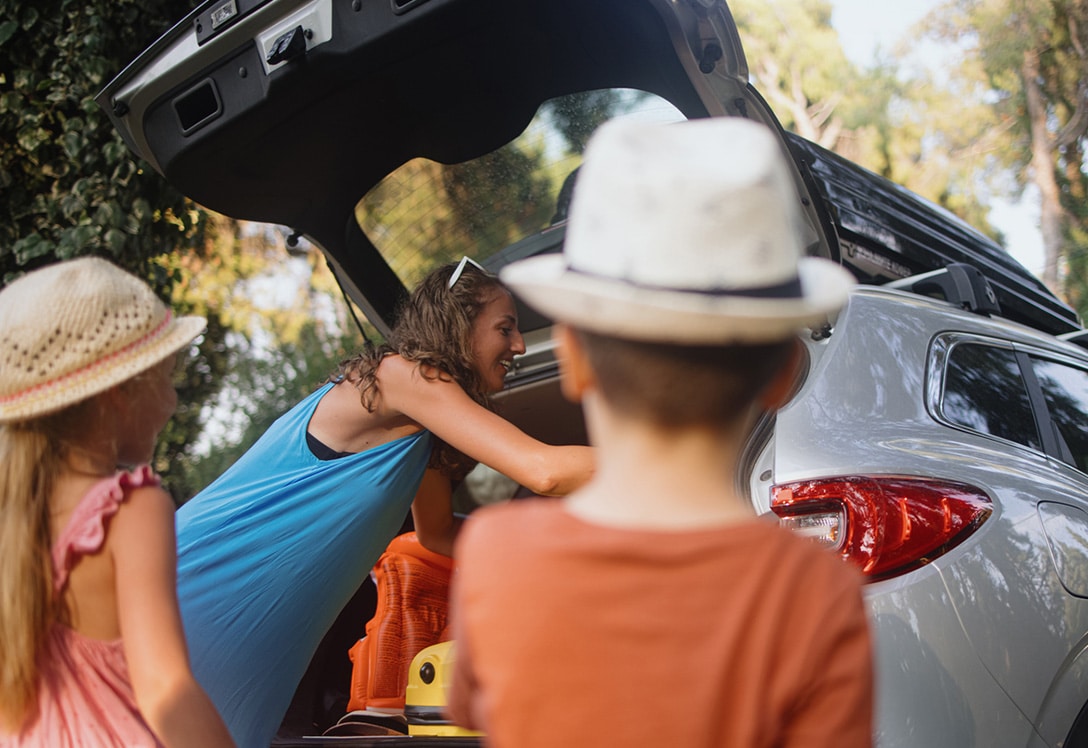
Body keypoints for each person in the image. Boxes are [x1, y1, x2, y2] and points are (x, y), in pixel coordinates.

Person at [447, 117, 873, 747]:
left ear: (576, 358)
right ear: (785, 373)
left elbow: (475, 711)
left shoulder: (493, 557)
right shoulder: (816, 595)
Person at [174, 258, 595, 747]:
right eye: (505, 328)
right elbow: (543, 470)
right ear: (458, 326)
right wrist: (689, 465)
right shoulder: (398, 376)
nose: (519, 345)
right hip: (205, 582)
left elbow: (437, 532)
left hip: (255, 630)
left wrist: (554, 549)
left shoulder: (417, 428)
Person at [0, 257, 235, 747]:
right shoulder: (131, 509)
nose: (171, 401)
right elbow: (165, 690)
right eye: (166, 378)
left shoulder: (11, 519)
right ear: (117, 395)